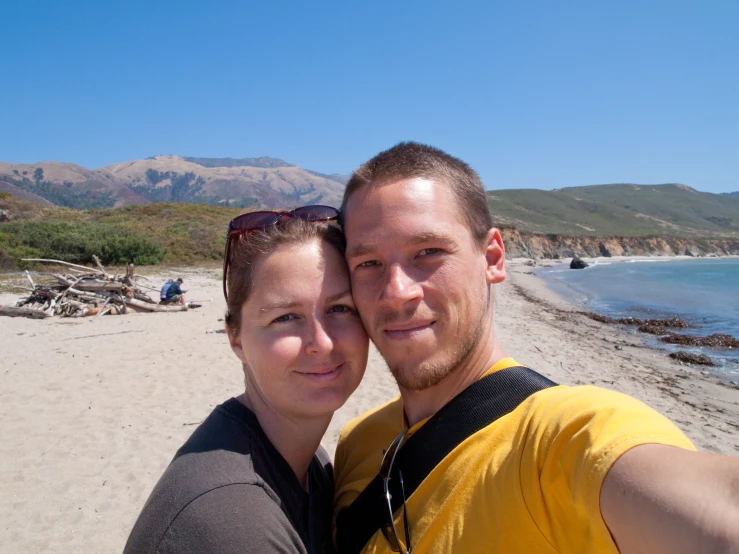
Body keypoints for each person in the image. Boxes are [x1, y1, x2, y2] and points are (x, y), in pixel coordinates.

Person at [333, 142, 739, 554]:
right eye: (368, 264)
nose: (396, 292)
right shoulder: (357, 444)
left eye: (429, 252)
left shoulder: (560, 439)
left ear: (492, 258)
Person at [125, 209, 369, 553]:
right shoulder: (234, 519)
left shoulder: (311, 465)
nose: (323, 342)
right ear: (235, 338)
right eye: (286, 317)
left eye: (340, 309)